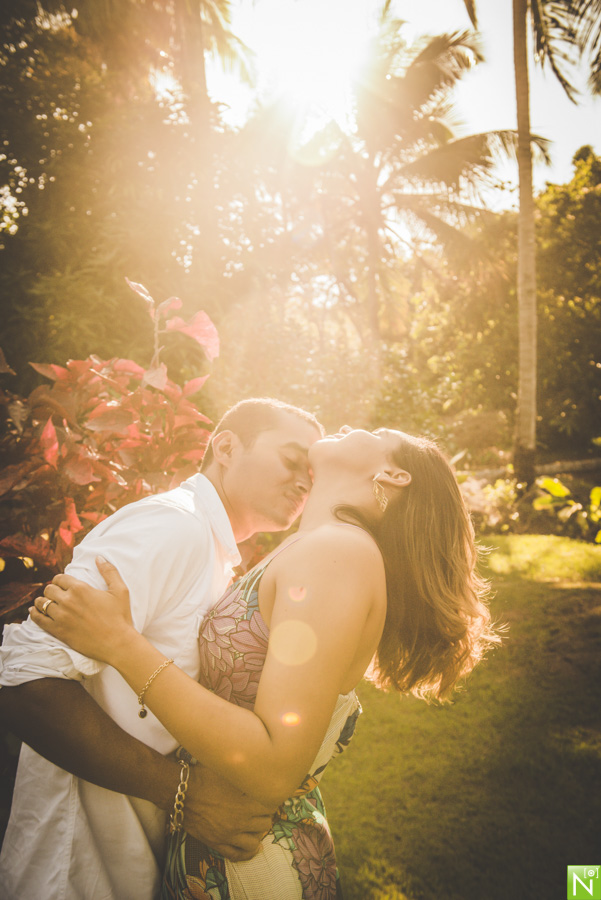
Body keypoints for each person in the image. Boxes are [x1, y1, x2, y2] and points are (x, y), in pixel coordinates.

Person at [32, 425, 501, 900]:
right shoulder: (320, 547)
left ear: (393, 475)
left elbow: (274, 765)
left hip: (250, 867)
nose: (351, 425)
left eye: (376, 431)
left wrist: (120, 644)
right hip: (224, 849)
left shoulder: (338, 552)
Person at [0, 398, 324, 900]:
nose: (306, 480)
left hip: (132, 861)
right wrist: (183, 793)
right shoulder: (173, 527)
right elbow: (22, 680)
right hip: (74, 870)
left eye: (314, 472)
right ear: (226, 446)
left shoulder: (213, 551)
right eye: (292, 459)